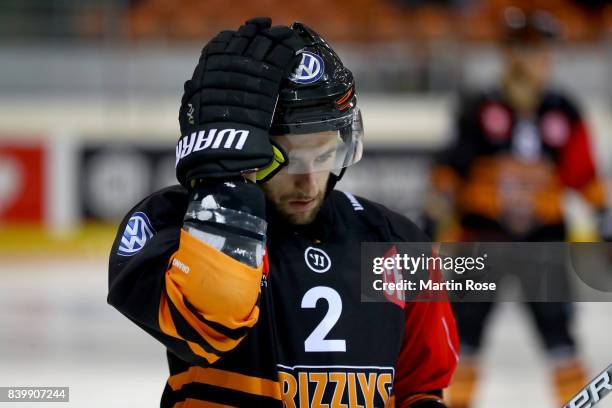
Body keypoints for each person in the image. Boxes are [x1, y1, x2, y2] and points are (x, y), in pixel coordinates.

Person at [108, 18, 458, 407]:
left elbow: (421, 388)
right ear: (241, 149)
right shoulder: (170, 223)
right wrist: (225, 188)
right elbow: (208, 325)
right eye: (286, 160)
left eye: (325, 155)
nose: (309, 183)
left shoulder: (397, 241)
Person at [426, 8, 611, 408]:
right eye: (523, 50)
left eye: (540, 50)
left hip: (542, 245)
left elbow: (585, 176)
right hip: (480, 242)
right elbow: (447, 175)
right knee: (464, 339)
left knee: (559, 339)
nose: (534, 59)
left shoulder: (564, 110)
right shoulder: (477, 108)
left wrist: (605, 222)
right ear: (507, 54)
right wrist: (431, 229)